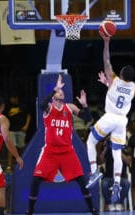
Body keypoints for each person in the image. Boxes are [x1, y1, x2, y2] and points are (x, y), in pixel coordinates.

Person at [26, 74, 98, 215]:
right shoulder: (48, 107)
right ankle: (30, 211)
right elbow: (41, 105)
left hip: (67, 151)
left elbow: (88, 118)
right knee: (36, 180)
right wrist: (54, 88)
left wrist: (85, 106)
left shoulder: (69, 107)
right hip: (50, 152)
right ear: (53, 96)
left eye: (61, 91)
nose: (60, 92)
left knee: (81, 181)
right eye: (58, 91)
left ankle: (93, 210)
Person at [86, 30, 135, 205]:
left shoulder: (115, 80)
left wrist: (106, 42)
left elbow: (106, 61)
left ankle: (94, 170)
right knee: (116, 153)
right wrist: (108, 85)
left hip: (110, 117)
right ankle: (116, 183)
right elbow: (118, 92)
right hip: (122, 121)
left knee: (91, 142)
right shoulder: (133, 87)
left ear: (121, 73)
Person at [100, 136, 131, 211]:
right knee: (104, 184)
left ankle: (119, 203)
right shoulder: (108, 148)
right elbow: (101, 161)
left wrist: (118, 150)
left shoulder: (124, 148)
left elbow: (128, 161)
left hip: (122, 177)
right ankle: (109, 203)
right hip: (109, 177)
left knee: (126, 184)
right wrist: (105, 148)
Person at [6, 94, 31, 170]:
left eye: (13, 98)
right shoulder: (8, 106)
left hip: (21, 130)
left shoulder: (22, 106)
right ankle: (9, 165)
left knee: (21, 147)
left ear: (16, 98)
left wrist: (26, 125)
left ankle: (22, 163)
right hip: (11, 130)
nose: (11, 100)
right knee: (11, 148)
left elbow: (29, 115)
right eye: (10, 98)